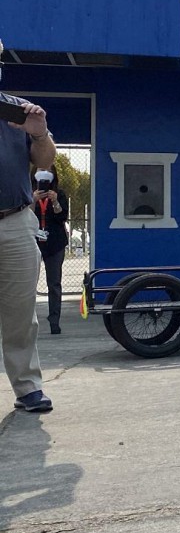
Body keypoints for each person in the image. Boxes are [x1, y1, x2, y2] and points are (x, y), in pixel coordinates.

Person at [0, 38, 57, 412]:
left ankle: (27, 387)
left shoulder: (18, 110)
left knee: (21, 312)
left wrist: (38, 131)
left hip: (16, 220)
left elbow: (45, 161)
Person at [32, 167, 69, 335]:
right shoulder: (28, 193)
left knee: (54, 283)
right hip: (33, 242)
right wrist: (32, 201)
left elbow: (62, 217)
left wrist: (55, 202)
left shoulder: (59, 194)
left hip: (55, 243)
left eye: (47, 171)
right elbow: (24, 217)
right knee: (28, 283)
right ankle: (27, 320)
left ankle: (54, 320)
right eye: (40, 170)